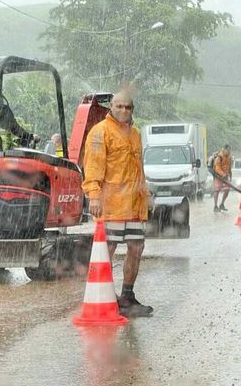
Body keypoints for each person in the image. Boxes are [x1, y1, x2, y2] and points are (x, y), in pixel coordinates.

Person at [82, 90, 153, 317]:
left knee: (136, 248)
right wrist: (93, 195)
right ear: (111, 107)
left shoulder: (135, 134)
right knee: (107, 250)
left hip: (133, 204)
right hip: (110, 204)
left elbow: (138, 169)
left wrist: (146, 194)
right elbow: (93, 167)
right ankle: (104, 296)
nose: (124, 111)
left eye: (128, 107)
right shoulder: (99, 132)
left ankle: (127, 296)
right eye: (119, 106)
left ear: (133, 110)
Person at [213, 144, 232, 212]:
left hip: (225, 176)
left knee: (227, 190)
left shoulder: (229, 157)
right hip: (218, 176)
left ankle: (222, 204)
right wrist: (222, 174)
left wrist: (230, 173)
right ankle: (215, 206)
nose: (229, 152)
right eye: (228, 150)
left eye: (230, 150)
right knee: (216, 190)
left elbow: (229, 166)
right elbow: (217, 168)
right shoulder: (219, 157)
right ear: (224, 149)